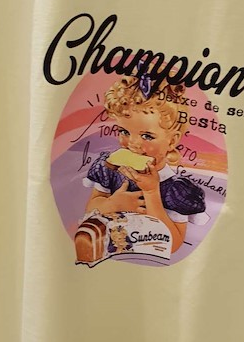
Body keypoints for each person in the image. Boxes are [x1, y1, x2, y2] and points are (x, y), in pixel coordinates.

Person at [81, 76, 206, 254]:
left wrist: (151, 192)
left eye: (147, 136)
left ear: (172, 141)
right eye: (124, 131)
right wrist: (112, 204)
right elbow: (90, 210)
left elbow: (173, 245)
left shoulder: (175, 190)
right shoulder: (109, 169)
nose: (133, 143)